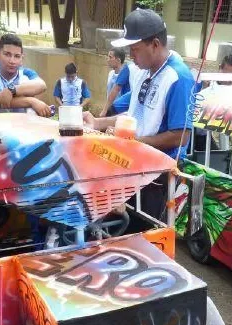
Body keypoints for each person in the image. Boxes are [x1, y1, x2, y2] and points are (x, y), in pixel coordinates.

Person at [83, 9, 194, 219]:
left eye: (135, 49)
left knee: (143, 234)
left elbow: (181, 135)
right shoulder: (144, 72)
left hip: (158, 176)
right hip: (132, 167)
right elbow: (131, 114)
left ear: (155, 44)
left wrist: (134, 141)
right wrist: (97, 122)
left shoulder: (178, 78)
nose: (131, 56)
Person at [0, 33, 51, 116]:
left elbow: (41, 85)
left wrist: (11, 90)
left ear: (21, 59)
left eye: (17, 56)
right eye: (7, 54)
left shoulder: (26, 73)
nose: (12, 61)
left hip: (25, 127)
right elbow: (0, 101)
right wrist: (32, 101)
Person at [101, 48, 129, 117]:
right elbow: (109, 92)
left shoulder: (126, 75)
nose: (108, 60)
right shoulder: (110, 73)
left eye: (110, 57)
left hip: (119, 111)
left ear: (118, 60)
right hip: (109, 109)